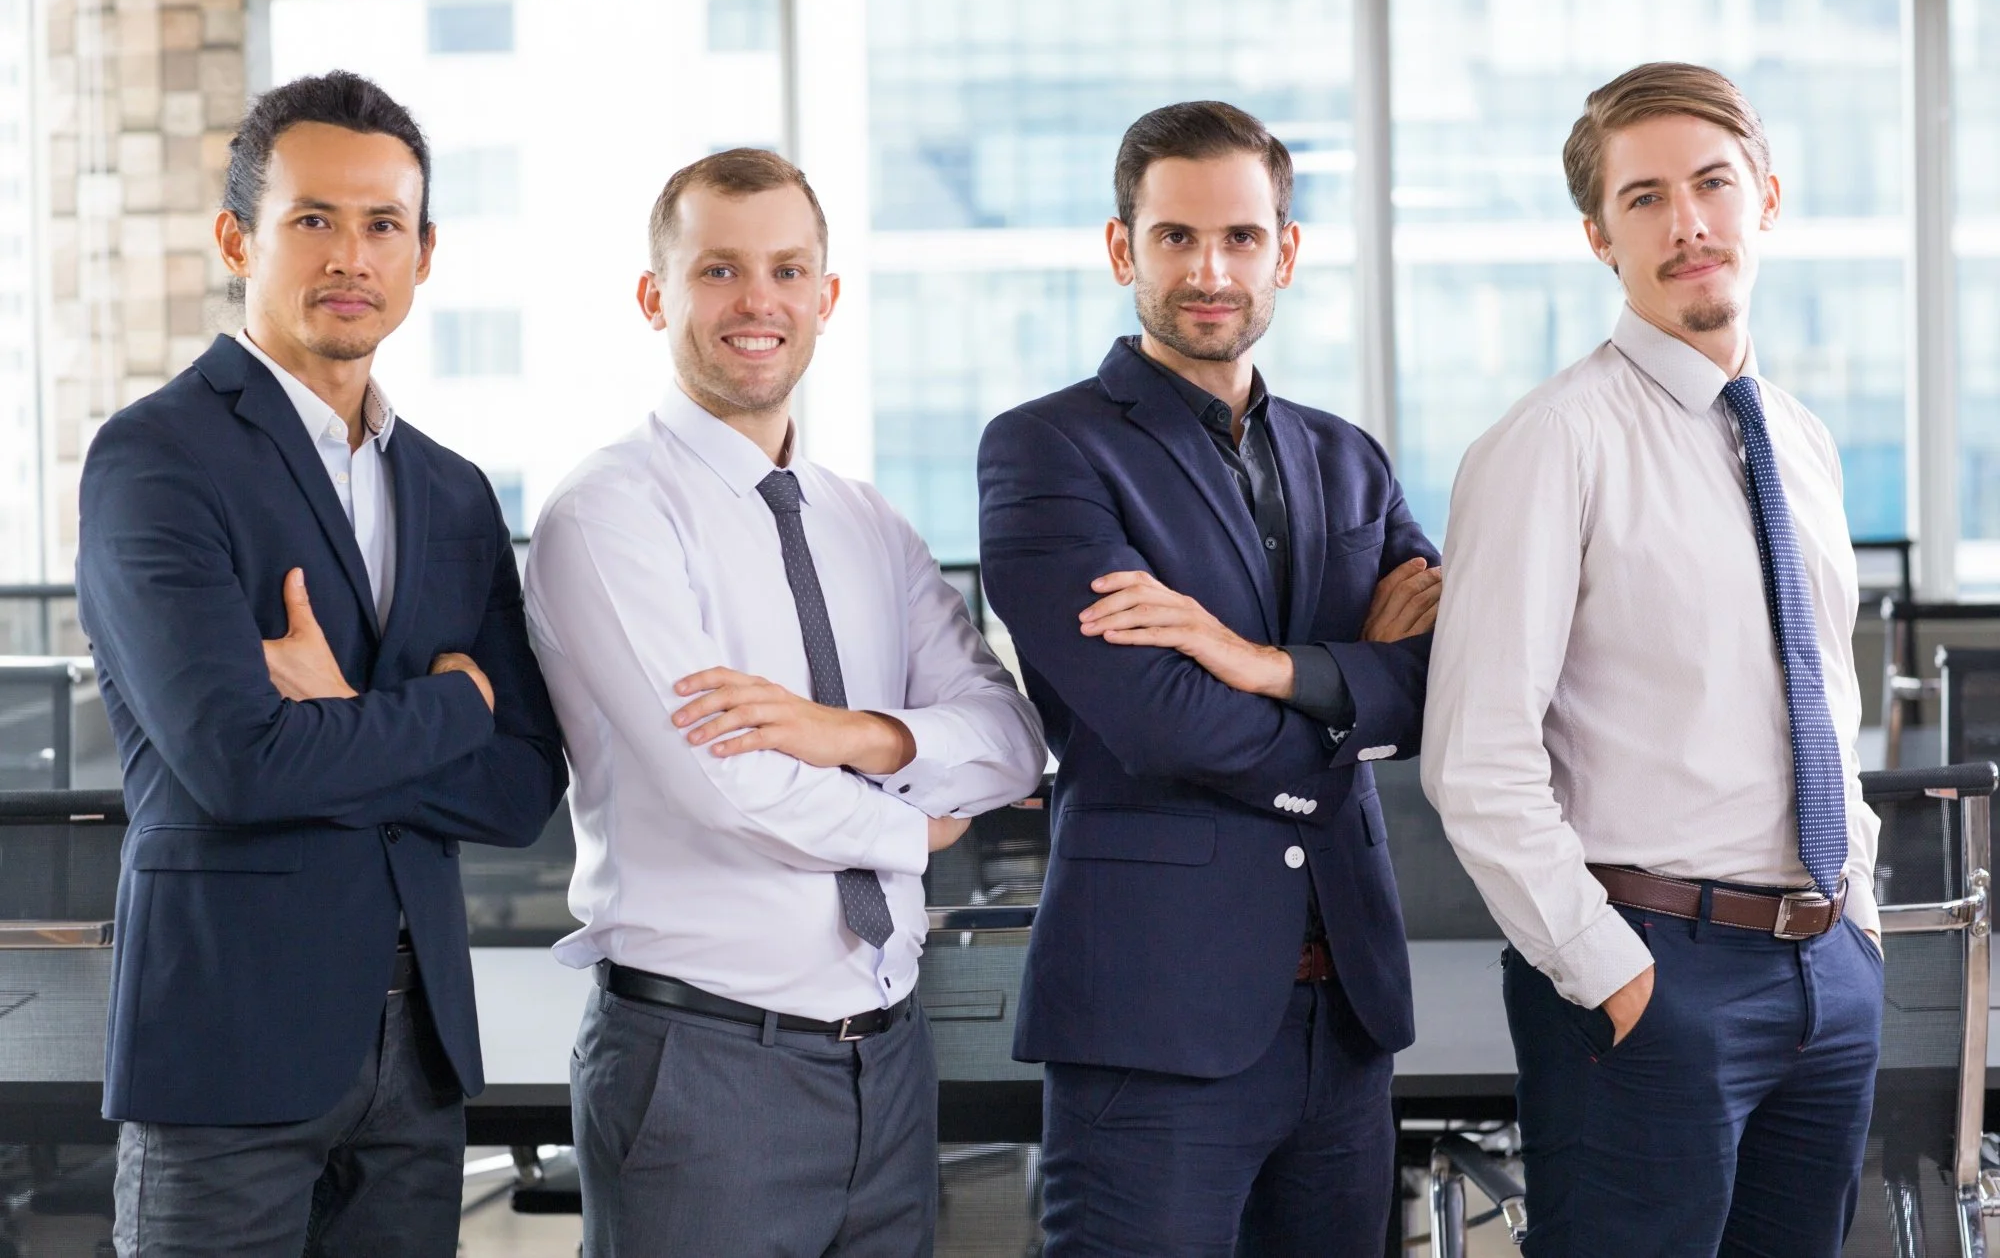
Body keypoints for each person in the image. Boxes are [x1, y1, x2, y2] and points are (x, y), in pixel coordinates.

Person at [74, 70, 567, 1257]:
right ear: (239, 236)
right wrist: (452, 702)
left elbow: (520, 784)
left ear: (424, 253)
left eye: (382, 224)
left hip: (421, 1060)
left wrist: (341, 715)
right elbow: (238, 765)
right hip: (229, 1047)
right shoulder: (156, 461)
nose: (352, 255)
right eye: (314, 220)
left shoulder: (450, 492)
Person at [524, 147, 1045, 1257]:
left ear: (826, 296)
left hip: (888, 1059)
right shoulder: (606, 515)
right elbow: (733, 786)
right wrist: (920, 825)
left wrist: (854, 733)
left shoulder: (866, 521)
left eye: (787, 269)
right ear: (653, 295)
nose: (757, 301)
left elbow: (1009, 740)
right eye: (718, 270)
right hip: (703, 1068)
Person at [1421, 62, 1884, 1257]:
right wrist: (1612, 976)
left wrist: (1858, 928)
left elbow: (1825, 695)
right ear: (1596, 234)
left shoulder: (1801, 440)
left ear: (1763, 199)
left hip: (1820, 973)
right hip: (1647, 974)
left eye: (1711, 184)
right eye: (1642, 198)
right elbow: (1474, 759)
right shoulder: (1548, 443)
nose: (1685, 223)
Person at [976, 101, 1440, 1257]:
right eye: (1175, 236)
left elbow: (1442, 677)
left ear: (1283, 249)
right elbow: (1163, 724)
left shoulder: (1347, 456)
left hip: (1344, 1017)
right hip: (1153, 1016)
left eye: (1238, 236)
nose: (1208, 268)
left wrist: (1260, 666)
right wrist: (1347, 700)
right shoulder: (1045, 451)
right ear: (1121, 248)